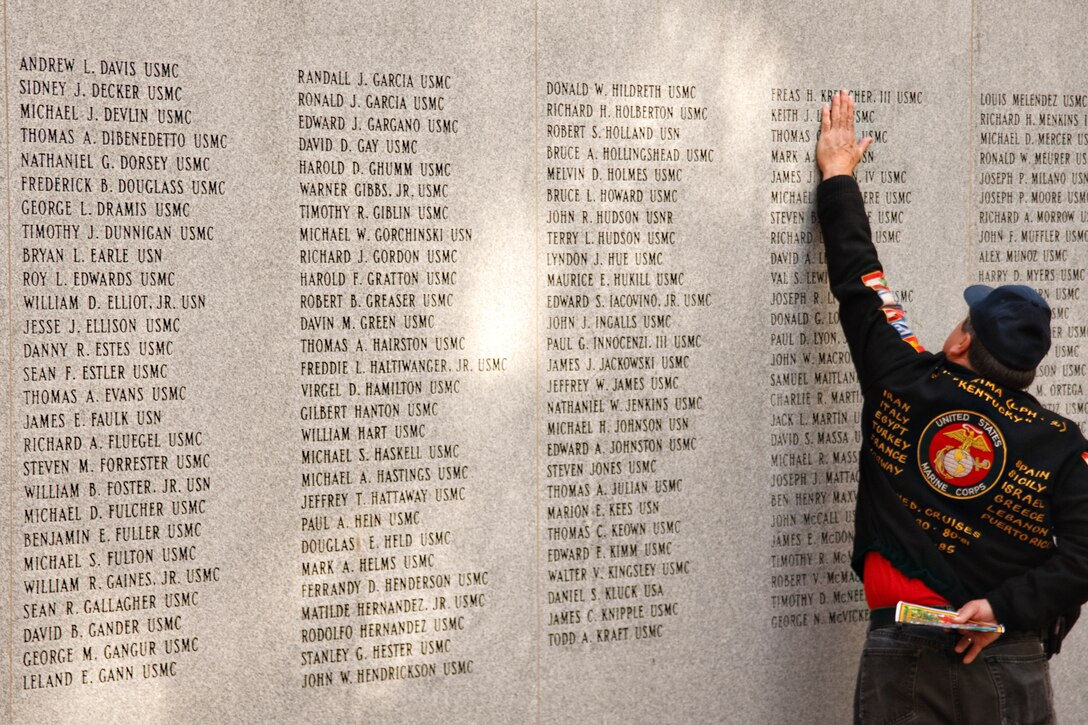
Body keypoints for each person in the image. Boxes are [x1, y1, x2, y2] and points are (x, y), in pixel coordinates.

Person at [815, 89, 1088, 724]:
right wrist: (1003, 609)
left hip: (903, 654)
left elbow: (863, 285)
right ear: (1026, 370)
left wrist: (838, 176)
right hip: (1008, 653)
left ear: (962, 339)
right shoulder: (1058, 440)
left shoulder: (904, 377)